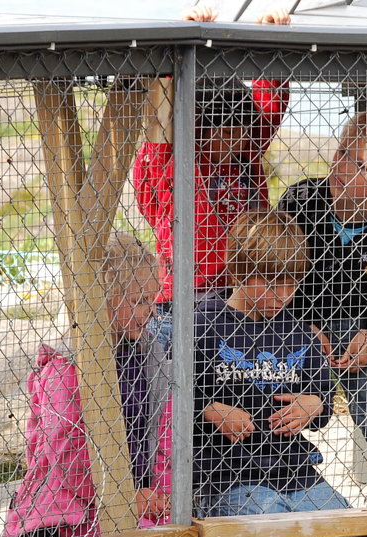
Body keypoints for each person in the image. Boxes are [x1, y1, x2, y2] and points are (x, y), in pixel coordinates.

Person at [131, 4, 290, 351]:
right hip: (182, 299)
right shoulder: (175, 159)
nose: (235, 140)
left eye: (242, 131)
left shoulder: (246, 155)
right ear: (200, 127)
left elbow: (270, 105)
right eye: (225, 132)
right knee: (177, 388)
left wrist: (267, 39)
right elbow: (163, 115)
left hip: (237, 296)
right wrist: (177, 46)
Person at [277, 107, 367, 472]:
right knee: (274, 396)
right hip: (291, 320)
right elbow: (280, 271)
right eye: (343, 153)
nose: (342, 169)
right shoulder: (301, 202)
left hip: (359, 324)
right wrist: (304, 325)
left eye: (360, 166)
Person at [4, 233, 171, 537]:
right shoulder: (66, 366)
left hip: (134, 495)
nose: (151, 311)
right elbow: (67, 453)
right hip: (67, 507)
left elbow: (162, 428)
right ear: (102, 297)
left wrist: (159, 492)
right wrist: (123, 497)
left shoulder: (147, 353)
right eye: (139, 301)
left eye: (153, 299)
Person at [193, 209, 349, 517]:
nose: (284, 295)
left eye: (292, 284)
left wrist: (315, 404)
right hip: (231, 477)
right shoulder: (204, 323)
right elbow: (173, 394)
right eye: (272, 282)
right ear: (240, 269)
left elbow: (322, 393)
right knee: (269, 524)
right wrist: (208, 408)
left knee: (344, 523)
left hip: (297, 473)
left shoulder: (296, 329)